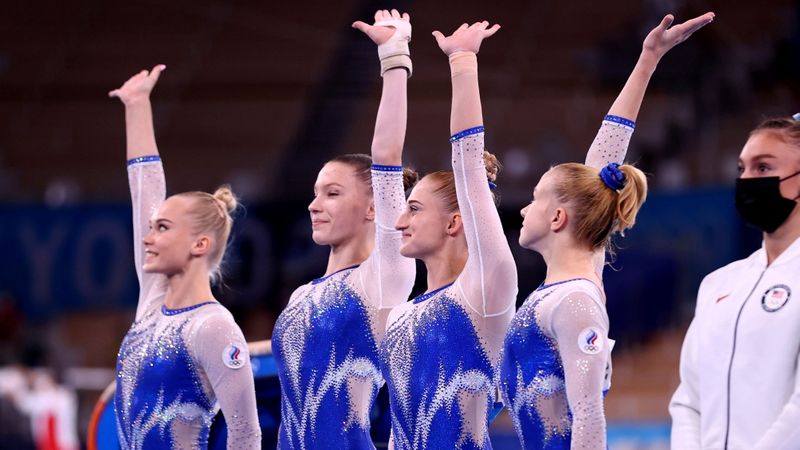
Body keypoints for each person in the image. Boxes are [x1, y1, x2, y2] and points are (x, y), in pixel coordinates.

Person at [497, 12, 714, 449]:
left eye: (536, 198)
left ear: (558, 218)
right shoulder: (566, 285)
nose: (522, 208)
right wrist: (648, 58)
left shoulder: (575, 300)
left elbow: (589, 418)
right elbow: (600, 163)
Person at [270, 9, 417, 449]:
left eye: (332, 193)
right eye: (316, 193)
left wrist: (394, 57)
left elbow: (387, 155)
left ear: (375, 208)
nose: (315, 205)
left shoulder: (384, 276)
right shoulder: (301, 296)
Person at [379, 20, 517, 450]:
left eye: (414, 210)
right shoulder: (400, 314)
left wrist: (462, 62)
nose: (399, 222)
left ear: (455, 222)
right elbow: (383, 167)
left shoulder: (486, 291)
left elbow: (469, 167)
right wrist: (393, 58)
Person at [109, 66, 260, 449]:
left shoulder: (213, 327)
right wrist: (137, 105)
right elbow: (144, 190)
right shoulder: (153, 302)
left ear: (200, 245)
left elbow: (246, 434)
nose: (147, 237)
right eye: (152, 227)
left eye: (162, 228)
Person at [670, 115, 800, 449]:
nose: (746, 179)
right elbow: (688, 400)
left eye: (763, 168)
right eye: (742, 169)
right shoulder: (717, 284)